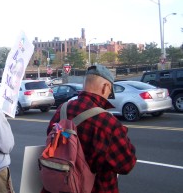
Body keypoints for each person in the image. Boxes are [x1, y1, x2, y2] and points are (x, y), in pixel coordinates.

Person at [44, 65, 137, 193]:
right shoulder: (108, 122)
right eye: (110, 91)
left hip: (60, 187)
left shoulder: (63, 109)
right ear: (105, 87)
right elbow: (126, 165)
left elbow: (50, 137)